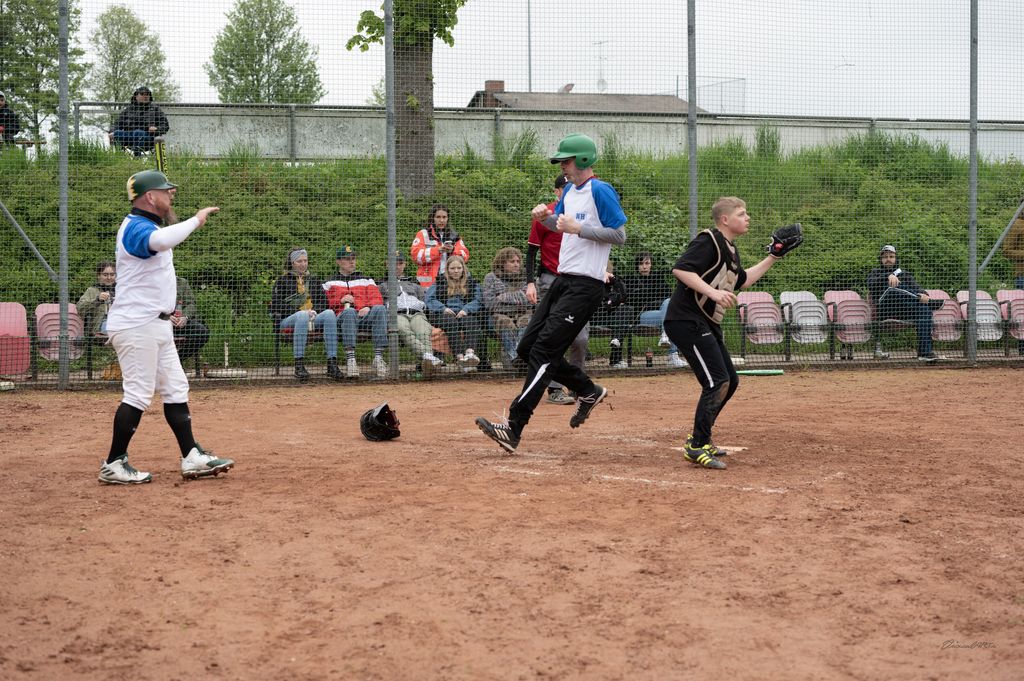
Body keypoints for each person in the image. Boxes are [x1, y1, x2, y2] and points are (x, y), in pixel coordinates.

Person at [476, 133, 627, 452]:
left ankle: (514, 426)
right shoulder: (570, 190)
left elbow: (619, 234)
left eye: (566, 160)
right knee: (527, 347)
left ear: (583, 160)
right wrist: (546, 219)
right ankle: (587, 390)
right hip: (562, 280)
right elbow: (561, 225)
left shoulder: (600, 190)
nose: (562, 166)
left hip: (586, 286)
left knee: (544, 351)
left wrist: (580, 229)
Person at [98, 170, 234, 484]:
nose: (171, 193)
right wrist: (196, 220)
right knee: (138, 393)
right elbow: (159, 241)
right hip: (136, 325)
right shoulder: (135, 226)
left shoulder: (148, 225)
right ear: (149, 197)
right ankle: (114, 462)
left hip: (155, 325)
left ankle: (191, 456)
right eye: (165, 190)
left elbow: (160, 240)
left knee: (175, 387)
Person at [664, 196, 798, 470]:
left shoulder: (731, 250)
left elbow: (743, 280)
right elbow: (681, 269)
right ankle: (697, 445)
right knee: (717, 381)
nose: (748, 218)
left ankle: (701, 437)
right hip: (685, 321)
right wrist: (713, 293)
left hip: (704, 323)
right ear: (725, 219)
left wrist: (773, 256)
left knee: (730, 381)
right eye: (742, 213)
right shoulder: (709, 240)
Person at [525, 173, 588, 405]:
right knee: (553, 335)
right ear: (557, 192)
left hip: (580, 281)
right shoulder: (546, 214)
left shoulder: (584, 214)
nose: (570, 191)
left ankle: (578, 386)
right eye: (565, 188)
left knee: (580, 338)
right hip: (551, 280)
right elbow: (531, 251)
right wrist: (530, 282)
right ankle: (553, 388)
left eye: (573, 187)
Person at [270, 247, 342, 381]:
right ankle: (299, 365)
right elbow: (276, 305)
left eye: (305, 260)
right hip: (287, 319)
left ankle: (332, 363)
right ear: (292, 263)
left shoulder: (314, 280)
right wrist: (300, 312)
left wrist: (314, 312)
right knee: (302, 316)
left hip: (312, 317)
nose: (303, 264)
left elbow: (324, 302)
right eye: (299, 261)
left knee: (329, 313)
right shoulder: (282, 281)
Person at [866, 245, 945, 363]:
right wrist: (888, 276)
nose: (888, 259)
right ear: (881, 259)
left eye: (891, 256)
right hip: (885, 309)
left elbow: (918, 288)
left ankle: (925, 353)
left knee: (924, 309)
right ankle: (930, 303)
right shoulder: (875, 272)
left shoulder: (904, 274)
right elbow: (870, 284)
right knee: (893, 287)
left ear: (896, 259)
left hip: (905, 310)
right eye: (885, 257)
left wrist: (923, 295)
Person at [324, 245, 389, 379]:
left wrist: (368, 307)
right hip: (342, 319)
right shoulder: (329, 282)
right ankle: (351, 360)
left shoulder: (366, 279)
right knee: (349, 312)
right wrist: (340, 301)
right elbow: (323, 304)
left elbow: (377, 298)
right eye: (347, 259)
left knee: (380, 309)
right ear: (338, 261)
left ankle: (378, 358)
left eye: (353, 258)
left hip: (365, 317)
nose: (352, 262)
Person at [378, 253, 443, 377]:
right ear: (387, 264)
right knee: (404, 330)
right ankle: (429, 358)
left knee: (423, 332)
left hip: (417, 313)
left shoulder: (413, 281)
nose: (397, 266)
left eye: (400, 263)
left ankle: (426, 364)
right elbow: (379, 302)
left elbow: (423, 298)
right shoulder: (381, 283)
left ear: (404, 265)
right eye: (393, 263)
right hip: (396, 314)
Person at [622, 252, 687, 368]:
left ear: (651, 264)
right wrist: (654, 301)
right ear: (637, 265)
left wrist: (648, 299)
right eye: (641, 263)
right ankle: (672, 353)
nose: (644, 266)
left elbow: (669, 296)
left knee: (669, 304)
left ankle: (668, 344)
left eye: (647, 263)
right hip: (642, 316)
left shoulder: (657, 278)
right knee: (671, 315)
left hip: (661, 313)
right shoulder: (631, 280)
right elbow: (632, 301)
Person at [425, 255, 484, 372]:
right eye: (452, 268)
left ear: (463, 268)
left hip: (464, 313)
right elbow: (429, 299)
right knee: (451, 323)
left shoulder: (472, 282)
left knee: (471, 321)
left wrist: (466, 309)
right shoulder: (439, 281)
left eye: (458, 268)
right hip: (443, 314)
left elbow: (478, 300)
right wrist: (443, 308)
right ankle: (460, 357)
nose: (456, 271)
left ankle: (470, 354)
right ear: (447, 269)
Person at [482, 246, 534, 368]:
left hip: (524, 314)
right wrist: (518, 299)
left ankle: (520, 357)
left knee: (526, 322)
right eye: (512, 261)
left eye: (518, 261)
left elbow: (529, 300)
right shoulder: (491, 277)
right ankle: (516, 357)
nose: (516, 264)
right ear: (502, 263)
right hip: (498, 316)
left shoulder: (527, 277)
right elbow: (491, 304)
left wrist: (503, 297)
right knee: (505, 323)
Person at [411, 204, 470, 288]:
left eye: (444, 217)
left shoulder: (454, 235)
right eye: (438, 217)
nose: (441, 220)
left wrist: (453, 250)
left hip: (450, 282)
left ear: (448, 218)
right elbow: (416, 256)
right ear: (432, 218)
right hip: (427, 282)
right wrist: (438, 250)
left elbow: (465, 256)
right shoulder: (423, 234)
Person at [589, 260, 633, 368]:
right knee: (620, 319)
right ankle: (616, 358)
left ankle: (616, 355)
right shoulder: (591, 280)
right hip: (593, 317)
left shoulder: (614, 282)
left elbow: (623, 296)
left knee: (625, 310)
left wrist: (614, 281)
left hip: (610, 317)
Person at [109, 86, 169, 155]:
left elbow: (165, 125)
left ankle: (137, 157)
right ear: (136, 96)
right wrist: (112, 131)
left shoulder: (155, 109)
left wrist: (157, 129)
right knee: (117, 133)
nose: (145, 96)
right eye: (142, 94)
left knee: (138, 133)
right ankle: (119, 156)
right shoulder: (128, 110)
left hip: (148, 138)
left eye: (147, 94)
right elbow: (117, 123)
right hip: (129, 136)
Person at [171, 276, 210, 364]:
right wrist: (167, 317)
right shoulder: (154, 282)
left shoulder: (182, 282)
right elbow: (150, 306)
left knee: (202, 332)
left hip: (181, 323)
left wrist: (185, 317)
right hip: (162, 322)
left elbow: (191, 304)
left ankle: (176, 361)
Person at [1002, 216, 1024, 355]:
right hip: (1023, 275)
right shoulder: (1017, 224)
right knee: (1022, 313)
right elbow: (1006, 250)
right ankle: (1023, 348)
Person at [77, 261, 117, 336]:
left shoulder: (121, 290)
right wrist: (97, 300)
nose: (109, 278)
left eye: (112, 275)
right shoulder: (92, 290)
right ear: (98, 275)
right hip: (102, 324)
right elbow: (80, 309)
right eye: (105, 275)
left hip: (121, 322)